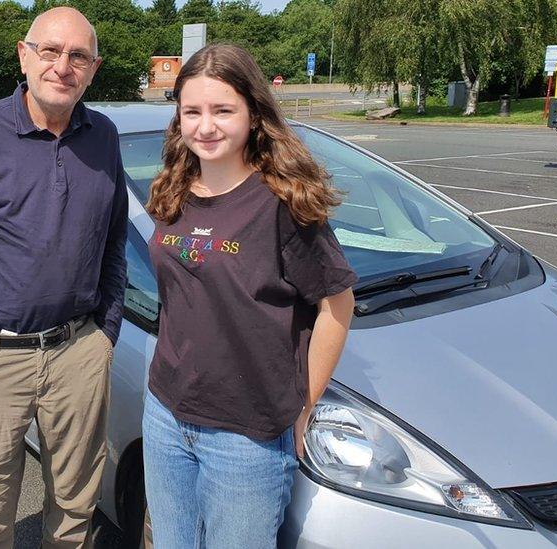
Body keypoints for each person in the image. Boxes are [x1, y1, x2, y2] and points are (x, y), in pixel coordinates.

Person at [0, 7, 127, 548]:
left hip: (78, 352)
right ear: (24, 54)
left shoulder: (103, 136)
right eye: (51, 51)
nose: (63, 66)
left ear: (93, 67)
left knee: (75, 511)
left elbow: (114, 241)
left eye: (78, 56)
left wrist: (105, 334)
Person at [142, 44, 357, 548]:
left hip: (247, 437)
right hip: (166, 414)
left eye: (223, 111)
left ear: (253, 114)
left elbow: (336, 308)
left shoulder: (282, 203)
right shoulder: (173, 189)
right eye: (192, 111)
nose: (205, 126)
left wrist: (304, 405)